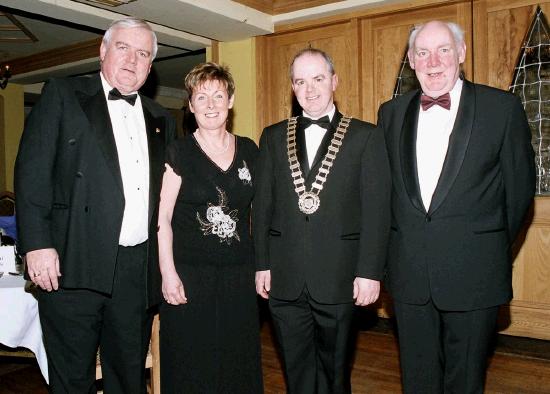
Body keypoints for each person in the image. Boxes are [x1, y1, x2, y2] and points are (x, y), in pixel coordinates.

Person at [15, 17, 176, 393]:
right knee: (72, 378)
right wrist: (37, 245)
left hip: (136, 270)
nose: (132, 60)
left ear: (150, 67)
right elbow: (32, 172)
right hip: (73, 263)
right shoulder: (63, 94)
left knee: (128, 375)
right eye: (123, 48)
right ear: (103, 51)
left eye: (142, 54)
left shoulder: (161, 118)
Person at [377, 21, 535, 393]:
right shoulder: (390, 114)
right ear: (412, 61)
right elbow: (385, 196)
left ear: (461, 54)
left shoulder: (502, 109)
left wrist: (484, 244)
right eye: (422, 52)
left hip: (475, 272)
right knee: (417, 380)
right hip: (410, 275)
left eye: (443, 50)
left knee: (465, 380)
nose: (433, 61)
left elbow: (519, 195)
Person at [253, 48, 391, 393]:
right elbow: (263, 206)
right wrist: (261, 264)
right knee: (296, 372)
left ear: (334, 81)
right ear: (292, 87)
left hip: (341, 277)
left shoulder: (366, 136)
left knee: (335, 373)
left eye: (317, 79)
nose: (309, 89)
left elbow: (377, 211)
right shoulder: (272, 136)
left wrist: (370, 271)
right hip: (284, 278)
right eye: (300, 81)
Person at [157, 62, 263, 393]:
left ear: (231, 100)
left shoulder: (250, 150)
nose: (212, 105)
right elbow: (162, 217)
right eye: (202, 98)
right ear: (190, 106)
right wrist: (167, 273)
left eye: (219, 95)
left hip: (239, 277)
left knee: (237, 360)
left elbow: (263, 211)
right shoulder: (179, 151)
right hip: (190, 277)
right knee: (192, 362)